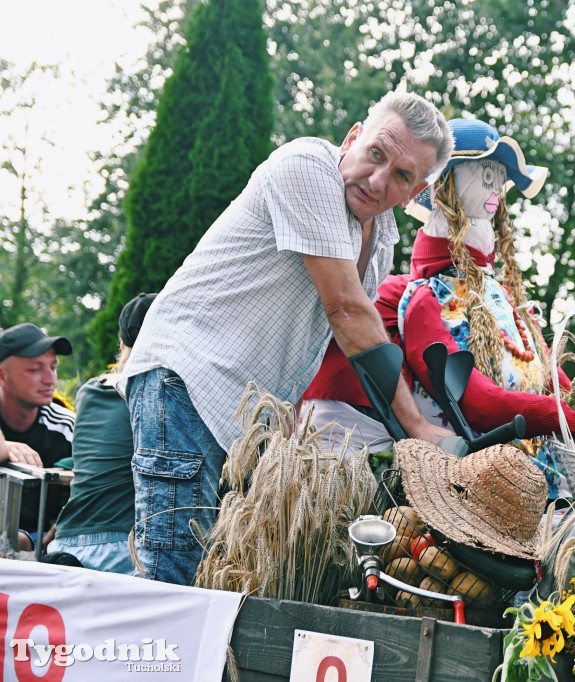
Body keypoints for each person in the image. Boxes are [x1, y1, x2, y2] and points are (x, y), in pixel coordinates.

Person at [117, 90, 455, 586]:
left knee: (218, 584)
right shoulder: (306, 166)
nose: (379, 179)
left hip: (244, 420)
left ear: (415, 191)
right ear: (352, 138)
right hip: (187, 386)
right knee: (175, 583)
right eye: (376, 154)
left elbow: (341, 343)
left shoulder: (380, 233)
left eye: (402, 175)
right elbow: (345, 310)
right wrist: (420, 429)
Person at [302, 118, 575, 497]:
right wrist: (567, 418)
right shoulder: (427, 297)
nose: (494, 189)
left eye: (498, 177)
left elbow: (551, 375)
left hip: (546, 483)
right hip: (477, 488)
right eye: (483, 174)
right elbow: (473, 401)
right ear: (448, 187)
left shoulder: (505, 297)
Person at [49, 293, 156, 573]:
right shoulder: (159, 395)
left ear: (122, 344)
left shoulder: (89, 391)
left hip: (66, 539)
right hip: (122, 547)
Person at [0, 323, 75, 551]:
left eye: (53, 367)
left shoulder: (66, 426)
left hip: (42, 544)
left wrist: (53, 535)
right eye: (35, 369)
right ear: (2, 375)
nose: (49, 379)